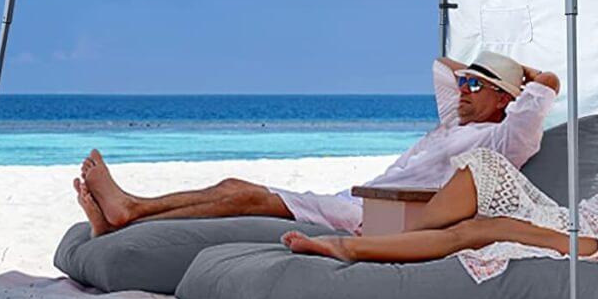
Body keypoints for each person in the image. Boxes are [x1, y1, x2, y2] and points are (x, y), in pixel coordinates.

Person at [281, 34, 598, 283]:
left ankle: (353, 251)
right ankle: (391, 237)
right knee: (484, 165)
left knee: (482, 230)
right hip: (582, 221)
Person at [73, 51, 560, 237]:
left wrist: (527, 77)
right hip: (361, 201)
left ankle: (130, 212)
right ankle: (130, 212)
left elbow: (546, 88)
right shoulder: (459, 125)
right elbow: (441, 65)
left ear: (504, 99)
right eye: (466, 84)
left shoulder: (502, 138)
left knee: (247, 194)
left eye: (475, 86)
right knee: (235, 184)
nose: (462, 89)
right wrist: (483, 75)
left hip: (387, 218)